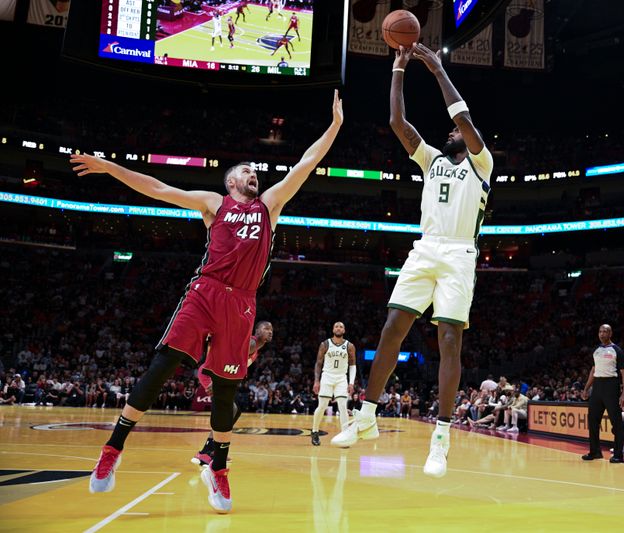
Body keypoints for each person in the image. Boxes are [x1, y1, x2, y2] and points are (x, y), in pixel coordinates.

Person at [71, 90, 343, 514]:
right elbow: (158, 187)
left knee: (226, 392)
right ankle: (114, 447)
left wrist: (334, 127)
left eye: (257, 172)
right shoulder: (213, 203)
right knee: (163, 366)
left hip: (243, 303)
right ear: (232, 181)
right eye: (247, 172)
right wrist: (109, 167)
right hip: (206, 291)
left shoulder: (270, 205)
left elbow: (306, 163)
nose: (255, 175)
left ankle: (217, 464)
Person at [332, 43, 493, 480]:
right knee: (392, 328)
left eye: (455, 131)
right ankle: (366, 416)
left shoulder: (482, 162)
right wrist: (399, 71)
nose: (449, 132)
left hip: (459, 252)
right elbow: (396, 123)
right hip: (426, 247)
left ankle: (441, 438)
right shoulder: (431, 160)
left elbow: (462, 117)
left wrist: (438, 69)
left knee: (449, 341)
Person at [192, 321, 273, 466]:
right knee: (227, 412)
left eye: (271, 329)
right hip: (212, 374)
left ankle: (214, 449)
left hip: (218, 375)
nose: (270, 331)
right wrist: (215, 381)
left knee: (233, 412)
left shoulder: (256, 349)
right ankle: (206, 452)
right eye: (266, 328)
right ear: (257, 331)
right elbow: (225, 356)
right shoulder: (251, 344)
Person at [581, 324, 624, 463]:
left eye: (605, 331)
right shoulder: (596, 350)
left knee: (616, 422)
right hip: (597, 387)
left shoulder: (616, 350)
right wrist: (586, 388)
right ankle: (595, 452)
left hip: (611, 386)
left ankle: (618, 454)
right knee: (593, 421)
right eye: (600, 331)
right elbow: (593, 370)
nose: (602, 334)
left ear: (610, 333)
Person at [311, 322, 356, 446]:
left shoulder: (349, 346)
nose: (338, 328)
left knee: (343, 407)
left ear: (344, 330)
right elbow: (318, 363)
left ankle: (345, 435)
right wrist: (316, 380)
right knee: (322, 406)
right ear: (333, 329)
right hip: (327, 376)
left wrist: (351, 383)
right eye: (336, 326)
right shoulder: (325, 344)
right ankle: (314, 431)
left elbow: (352, 365)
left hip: (341, 378)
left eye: (341, 326)